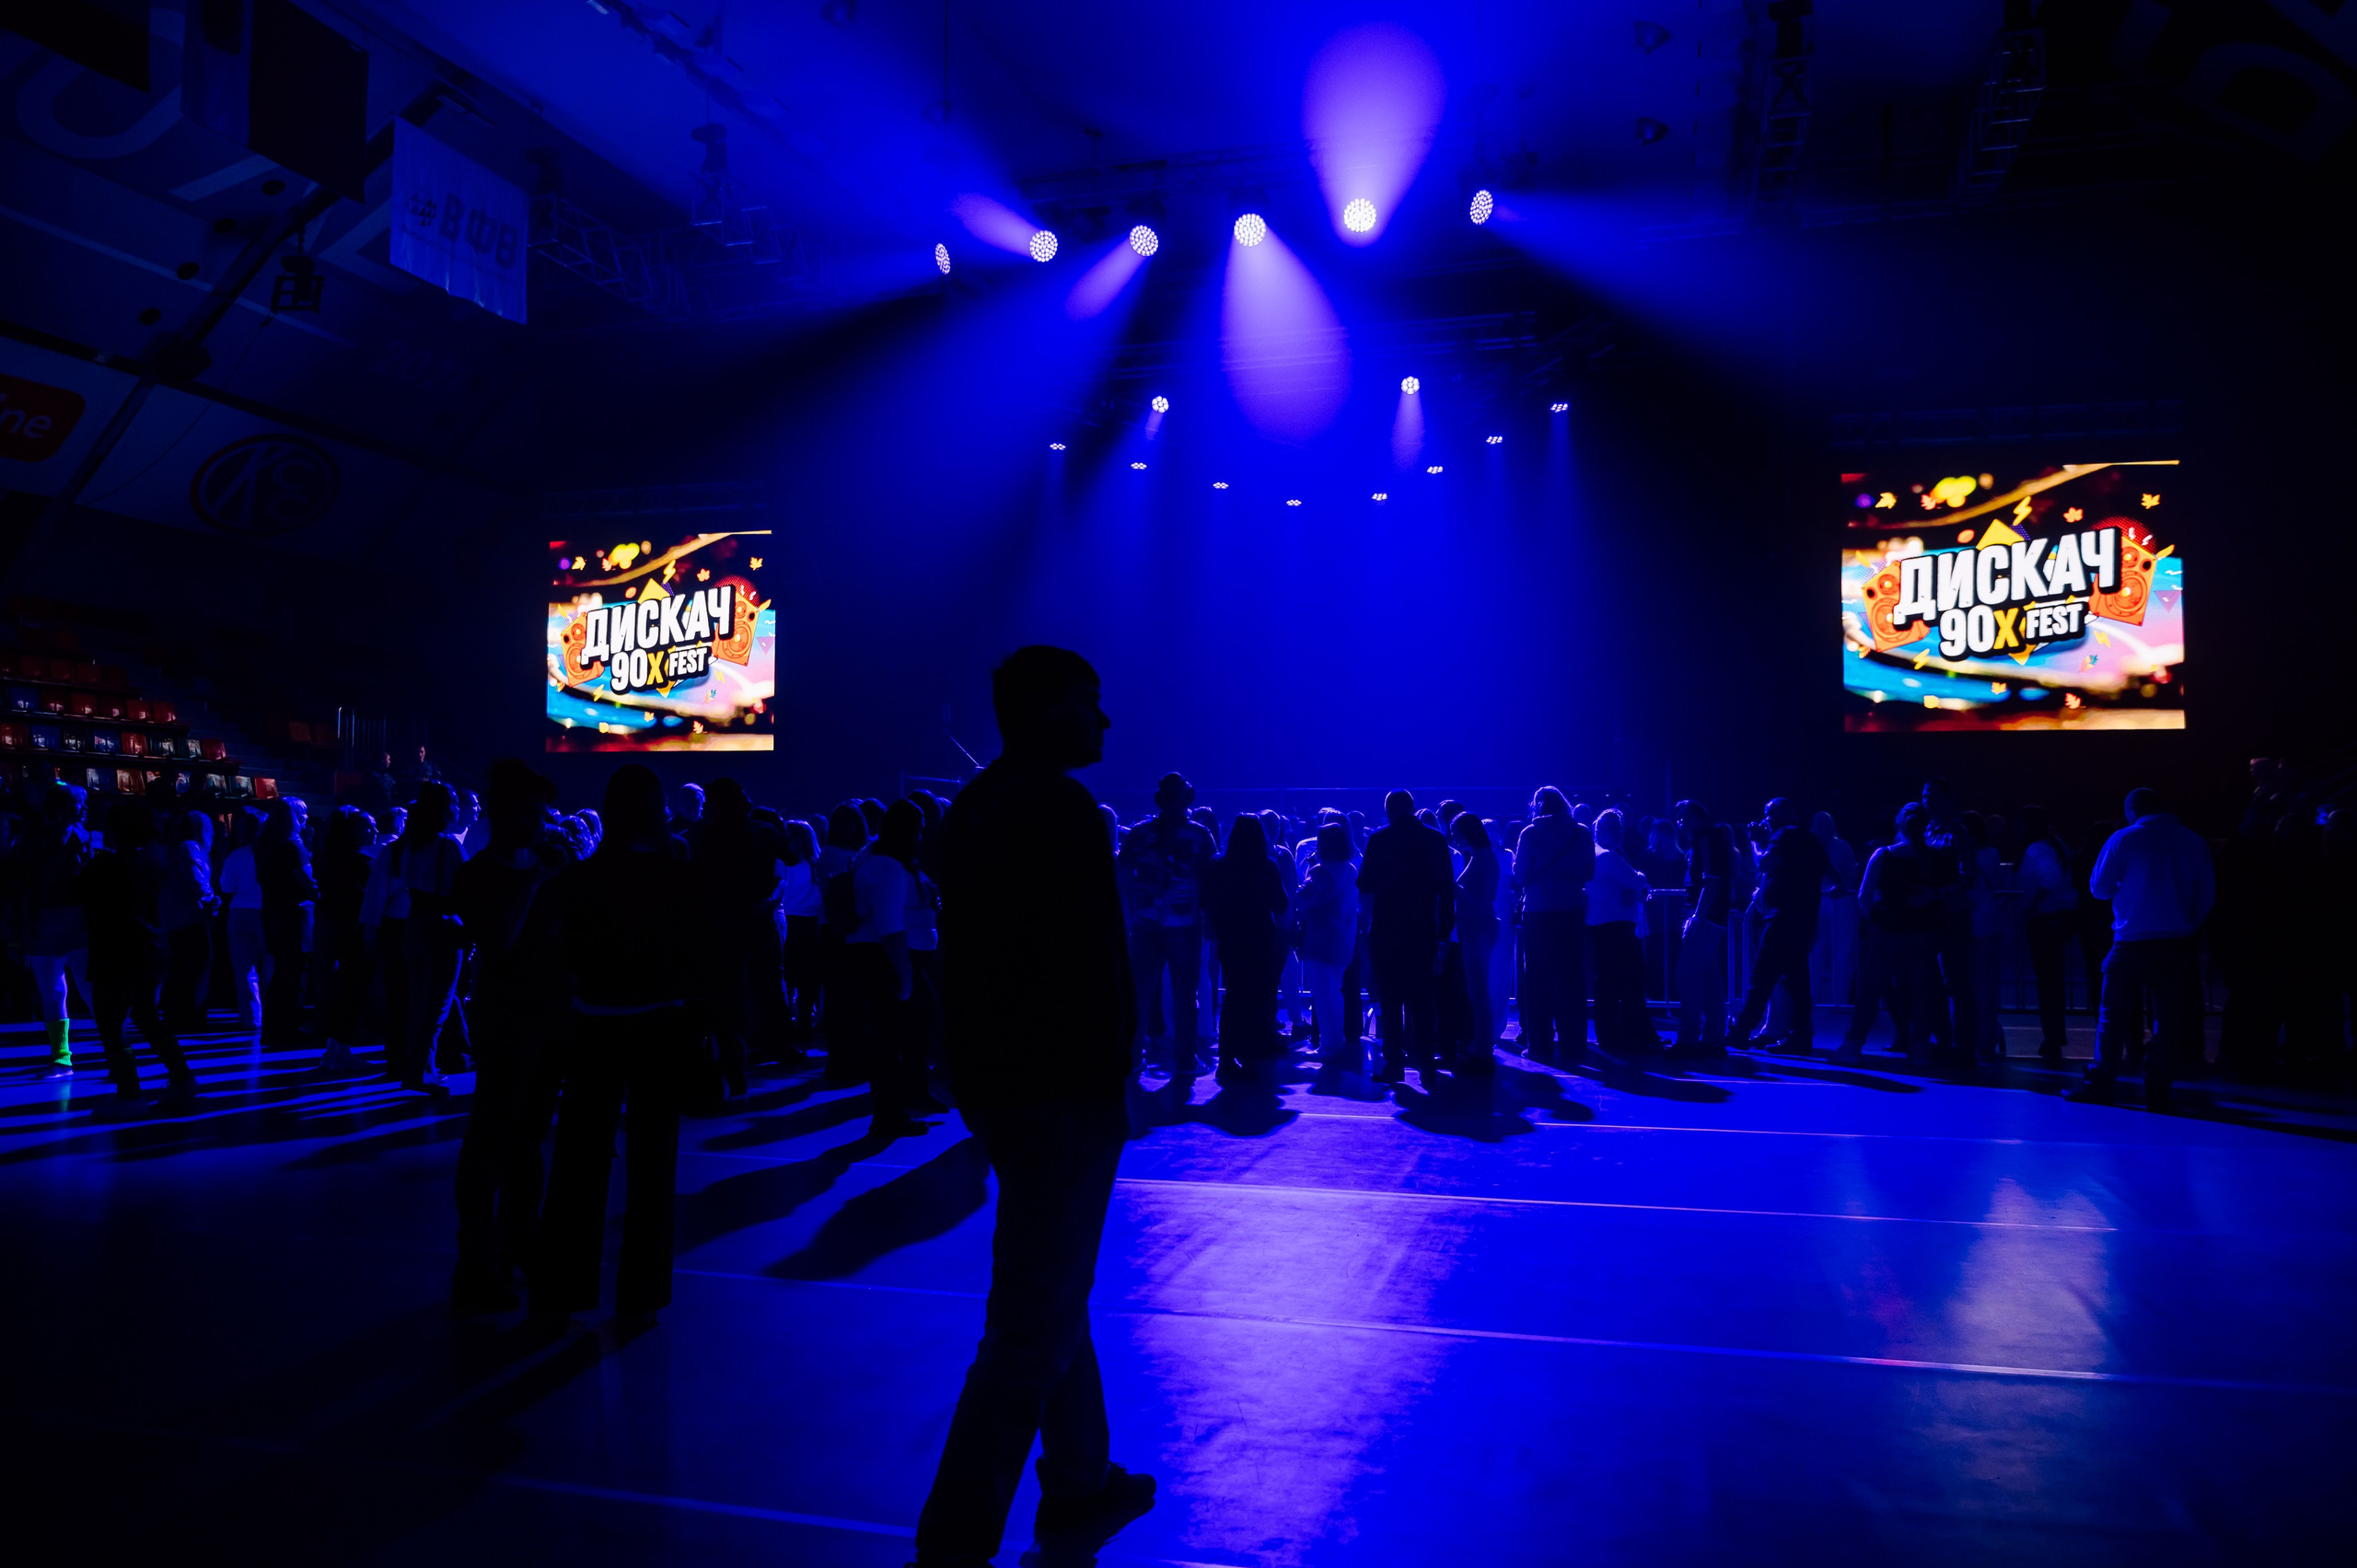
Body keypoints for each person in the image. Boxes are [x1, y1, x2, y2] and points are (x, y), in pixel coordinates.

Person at [916, 646, 1153, 1566]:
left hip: (1004, 1086)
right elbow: (1093, 961)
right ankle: (951, 1546)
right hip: (1063, 1090)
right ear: (1050, 709)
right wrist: (1114, 1080)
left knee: (1056, 1288)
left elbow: (968, 962)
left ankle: (1082, 1477)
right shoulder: (1063, 809)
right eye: (1091, 702)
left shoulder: (973, 807)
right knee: (1028, 1322)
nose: (1104, 721)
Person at [535, 764, 693, 1327]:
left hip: (595, 1021)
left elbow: (561, 953)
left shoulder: (583, 878)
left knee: (580, 1157)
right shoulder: (679, 876)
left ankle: (562, 1285)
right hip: (660, 1025)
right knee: (654, 1164)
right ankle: (643, 1292)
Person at [451, 760, 568, 1314]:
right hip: (504, 1017)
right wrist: (539, 882)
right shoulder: (478, 875)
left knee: (529, 1139)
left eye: (544, 812)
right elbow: (497, 942)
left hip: (549, 1016)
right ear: (509, 815)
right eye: (534, 812)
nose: (543, 821)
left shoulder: (547, 867)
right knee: (491, 1139)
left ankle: (522, 1241)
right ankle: (477, 1260)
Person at [2070, 788, 2214, 1111]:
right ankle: (2159, 1087)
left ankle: (2102, 1081)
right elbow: (2206, 894)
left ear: (2132, 810)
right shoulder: (2193, 841)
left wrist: (2126, 888)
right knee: (2168, 1018)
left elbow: (2099, 889)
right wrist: (2188, 925)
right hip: (2176, 940)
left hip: (2132, 939)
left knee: (2113, 1014)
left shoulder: (2124, 838)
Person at [80, 799, 199, 1109]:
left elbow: (74, 892)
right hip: (153, 952)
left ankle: (130, 1095)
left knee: (110, 1025)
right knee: (148, 1017)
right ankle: (183, 1079)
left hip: (117, 955)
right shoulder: (155, 860)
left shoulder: (106, 866)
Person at [693, 778, 789, 1098]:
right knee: (764, 988)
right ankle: (763, 1055)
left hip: (720, 929)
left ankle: (729, 1068)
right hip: (758, 923)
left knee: (724, 997)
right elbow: (785, 865)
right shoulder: (767, 832)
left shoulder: (705, 837)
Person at [847, 798, 937, 1135]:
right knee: (888, 1040)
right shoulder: (886, 865)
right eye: (920, 829)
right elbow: (889, 926)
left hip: (891, 957)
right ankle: (888, 1116)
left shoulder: (882, 860)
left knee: (906, 1030)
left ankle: (903, 1102)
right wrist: (904, 975)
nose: (922, 836)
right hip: (887, 959)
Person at [1118, 773, 1215, 1078]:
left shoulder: (1140, 831)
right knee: (1185, 992)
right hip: (1184, 924)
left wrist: (1139, 896)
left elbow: (1122, 873)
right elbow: (1214, 879)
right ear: (1188, 798)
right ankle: (1185, 1061)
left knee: (1139, 992)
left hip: (1145, 921)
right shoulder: (1200, 835)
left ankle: (1132, 1059)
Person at [1838, 804, 1950, 1064]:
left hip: (1885, 934)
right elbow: (1946, 894)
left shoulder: (1884, 855)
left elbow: (1864, 897)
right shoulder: (1935, 857)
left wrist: (1875, 923)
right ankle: (1920, 1048)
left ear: (1900, 825)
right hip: (1923, 934)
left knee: (1870, 991)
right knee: (1922, 994)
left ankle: (1853, 1045)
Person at [1357, 790, 1457, 1082]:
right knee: (1424, 1000)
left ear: (1388, 810)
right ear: (1413, 809)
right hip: (1423, 931)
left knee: (1390, 1001)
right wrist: (1443, 933)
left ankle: (1394, 1065)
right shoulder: (1435, 839)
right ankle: (1426, 1063)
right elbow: (1446, 892)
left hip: (1386, 931)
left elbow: (1365, 884)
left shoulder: (1378, 839)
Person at [1732, 797, 1831, 1053]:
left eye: (1768, 813)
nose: (1765, 819)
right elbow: (1829, 869)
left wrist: (1755, 842)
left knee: (1762, 975)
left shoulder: (1783, 835)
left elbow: (1763, 864)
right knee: (1798, 981)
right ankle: (1800, 1036)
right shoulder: (1808, 838)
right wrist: (1839, 888)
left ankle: (1742, 1031)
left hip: (1782, 917)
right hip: (1803, 918)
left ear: (1777, 815)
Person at [11, 783, 94, 1074]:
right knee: (72, 991)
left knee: (64, 992)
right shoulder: (78, 840)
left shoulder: (35, 840)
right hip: (65, 921)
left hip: (50, 922)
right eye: (78, 804)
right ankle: (69, 1056)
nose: (83, 809)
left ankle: (64, 1058)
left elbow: (22, 887)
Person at [1202, 813, 1289, 1081]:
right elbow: (1281, 904)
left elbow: (1206, 900)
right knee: (1257, 998)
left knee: (1233, 996)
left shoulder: (1218, 865)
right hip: (1260, 938)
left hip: (1229, 938)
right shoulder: (1267, 866)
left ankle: (1225, 1059)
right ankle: (1251, 1058)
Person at [1514, 787, 1593, 1062]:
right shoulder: (1581, 832)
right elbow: (1590, 870)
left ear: (1537, 806)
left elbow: (1521, 875)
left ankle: (1539, 1044)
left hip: (1538, 912)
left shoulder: (1530, 833)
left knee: (1537, 978)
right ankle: (1574, 1043)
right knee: (1572, 977)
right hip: (1572, 910)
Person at [312, 806, 377, 1075]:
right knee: (352, 993)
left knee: (338, 993)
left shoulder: (329, 859)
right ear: (353, 830)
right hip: (354, 935)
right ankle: (342, 1052)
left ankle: (333, 1051)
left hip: (332, 932)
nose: (375, 830)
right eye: (368, 826)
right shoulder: (361, 863)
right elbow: (368, 902)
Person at [1586, 810, 1655, 1055]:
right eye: (1612, 828)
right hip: (1615, 926)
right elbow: (1637, 881)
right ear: (1599, 831)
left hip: (1602, 926)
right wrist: (1640, 881)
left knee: (1608, 983)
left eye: (1619, 828)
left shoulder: (1598, 855)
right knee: (1630, 981)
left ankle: (1614, 1036)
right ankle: (1632, 1036)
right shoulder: (1609, 858)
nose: (1618, 832)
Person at [2015, 805, 2079, 1063]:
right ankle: (2054, 1036)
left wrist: (2032, 906)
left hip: (2047, 920)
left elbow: (2050, 879)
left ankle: (2052, 1039)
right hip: (2061, 917)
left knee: (2048, 982)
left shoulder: (2037, 848)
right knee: (2053, 981)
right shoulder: (2055, 844)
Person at [1295, 821, 1361, 1068]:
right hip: (1343, 942)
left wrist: (1309, 868)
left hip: (1320, 942)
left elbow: (1303, 896)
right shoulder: (1351, 869)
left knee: (1322, 996)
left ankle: (1328, 1046)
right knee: (1335, 993)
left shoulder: (1321, 871)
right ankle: (1336, 1041)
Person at [1672, 800, 1735, 1057]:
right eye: (1679, 816)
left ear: (1700, 817)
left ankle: (1688, 1039)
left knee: (1686, 977)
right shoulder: (1709, 840)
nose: (1681, 820)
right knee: (1710, 980)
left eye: (1686, 815)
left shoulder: (1703, 840)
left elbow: (1712, 880)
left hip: (1705, 918)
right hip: (1714, 917)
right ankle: (1714, 1039)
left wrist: (1697, 917)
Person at [254, 798, 318, 1048]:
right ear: (292, 816)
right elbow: (309, 882)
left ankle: (272, 1029)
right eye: (303, 813)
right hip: (293, 915)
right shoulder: (293, 845)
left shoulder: (264, 844)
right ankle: (289, 1029)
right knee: (293, 974)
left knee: (281, 973)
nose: (306, 819)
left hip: (271, 912)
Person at [1451, 813, 1502, 1066]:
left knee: (1479, 992)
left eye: (1457, 834)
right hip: (1477, 929)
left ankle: (1483, 1048)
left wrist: (1455, 889)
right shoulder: (1482, 857)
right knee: (1478, 991)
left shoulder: (1482, 859)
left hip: (1478, 930)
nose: (1455, 840)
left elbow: (1483, 901)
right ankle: (1482, 1044)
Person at [215, 807, 267, 1036]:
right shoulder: (274, 853)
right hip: (267, 912)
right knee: (273, 966)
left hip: (239, 912)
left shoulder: (237, 854)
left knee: (244, 969)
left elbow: (226, 887)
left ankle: (251, 1019)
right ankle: (275, 1014)